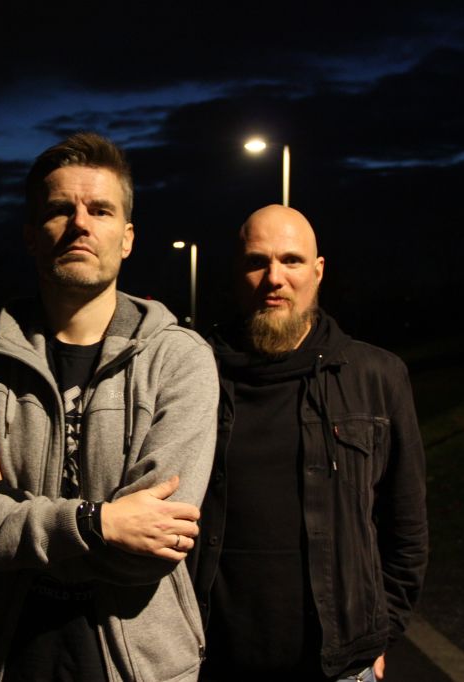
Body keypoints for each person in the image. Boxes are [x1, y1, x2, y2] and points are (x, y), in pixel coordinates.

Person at [0, 132, 219, 681]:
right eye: (60, 210)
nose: (80, 224)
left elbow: (150, 550)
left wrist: (5, 503)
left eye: (100, 210)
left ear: (127, 238)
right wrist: (102, 523)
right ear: (31, 236)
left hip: (137, 665)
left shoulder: (178, 359)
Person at [189, 205, 428, 681]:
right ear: (236, 272)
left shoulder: (376, 376)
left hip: (338, 669)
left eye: (291, 261)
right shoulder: (192, 375)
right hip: (209, 664)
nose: (274, 278)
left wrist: (380, 635)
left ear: (318, 271)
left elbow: (406, 527)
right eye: (257, 262)